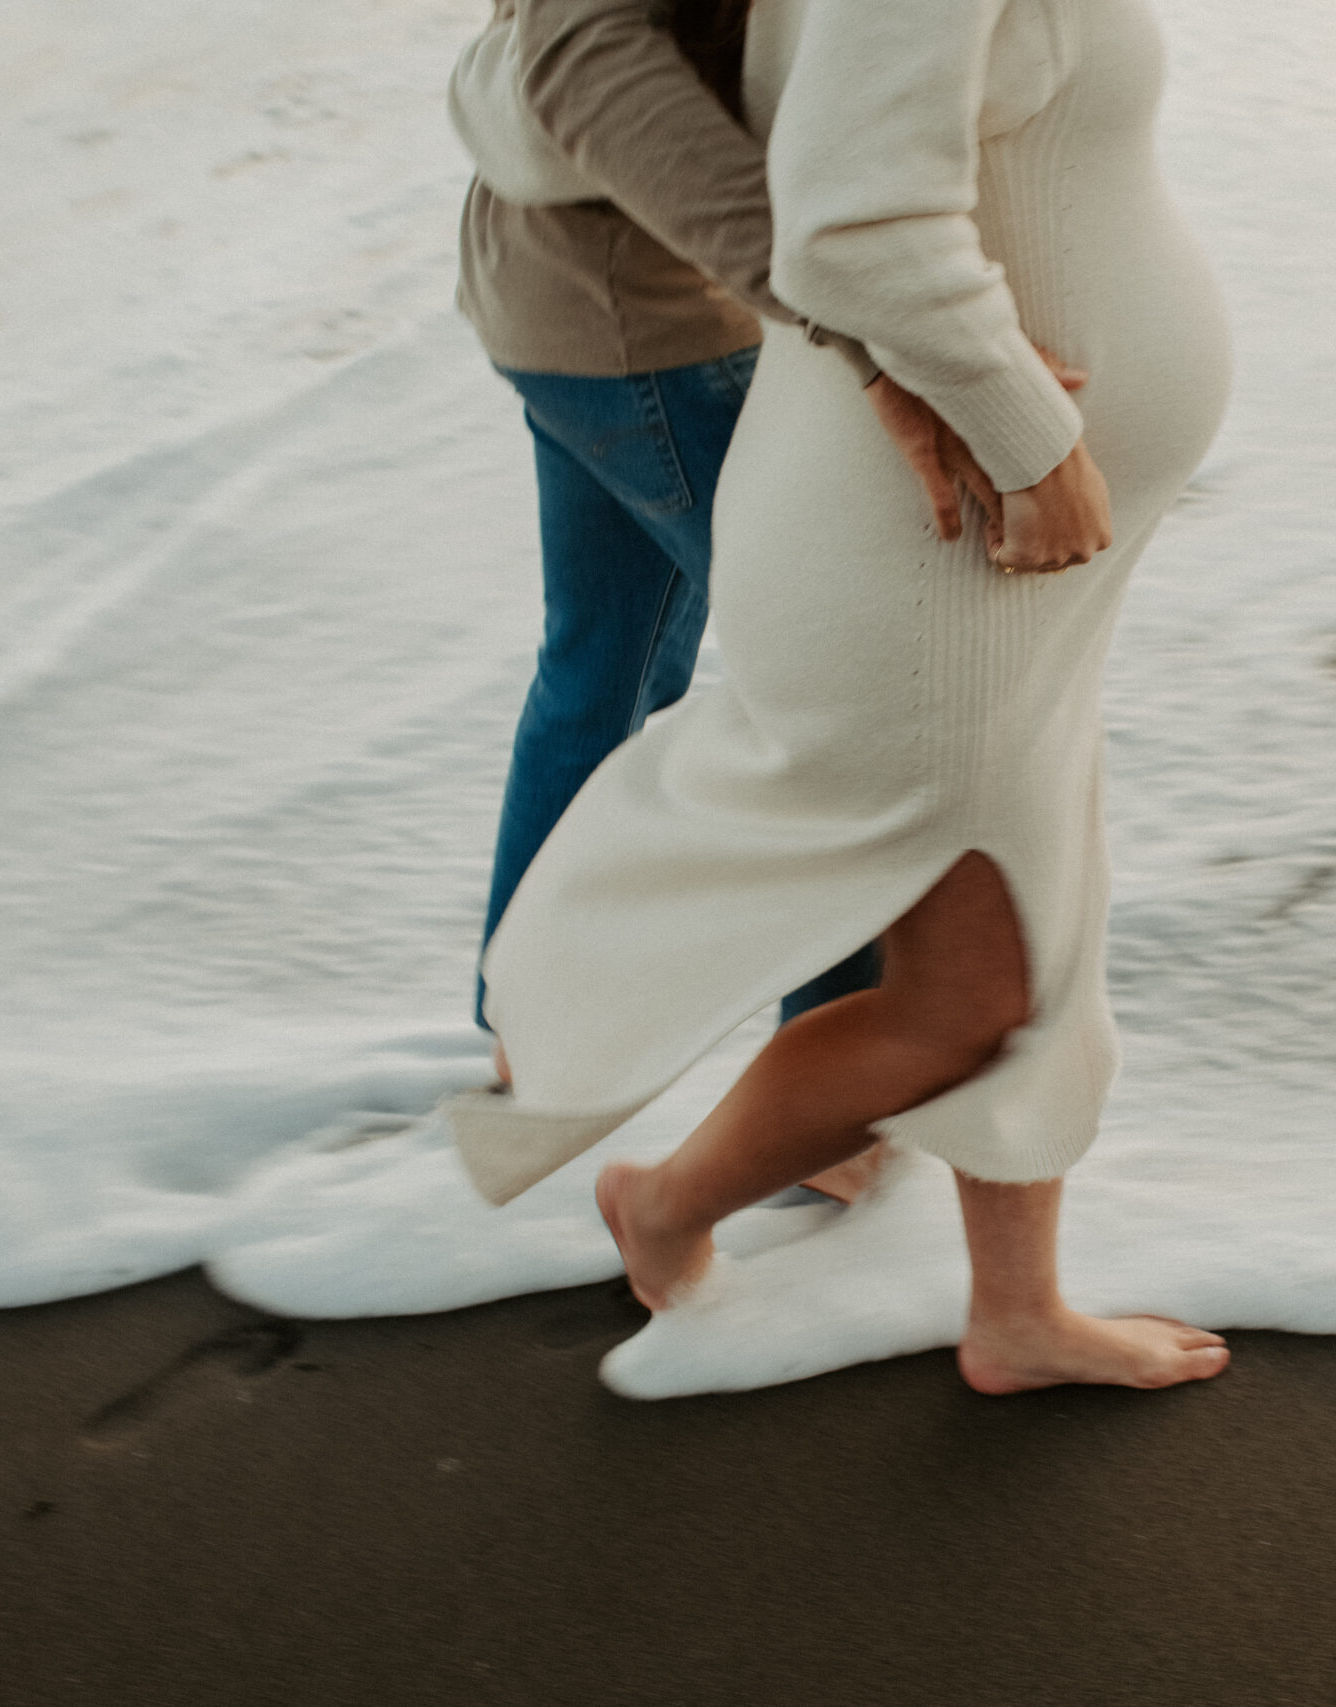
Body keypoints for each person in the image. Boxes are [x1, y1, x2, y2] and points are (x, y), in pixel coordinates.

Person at [462, 0, 1233, 1393]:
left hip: (750, 352)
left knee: (1024, 880)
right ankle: (670, 1151)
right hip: (741, 375)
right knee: (924, 910)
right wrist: (984, 403)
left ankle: (1007, 1300)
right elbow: (816, 199)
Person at [451, 0, 1026, 1202]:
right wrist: (870, 321)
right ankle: (826, 1115)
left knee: (603, 662)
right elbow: (585, 53)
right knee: (838, 701)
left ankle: (534, 1028)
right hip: (653, 323)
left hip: (562, 298)